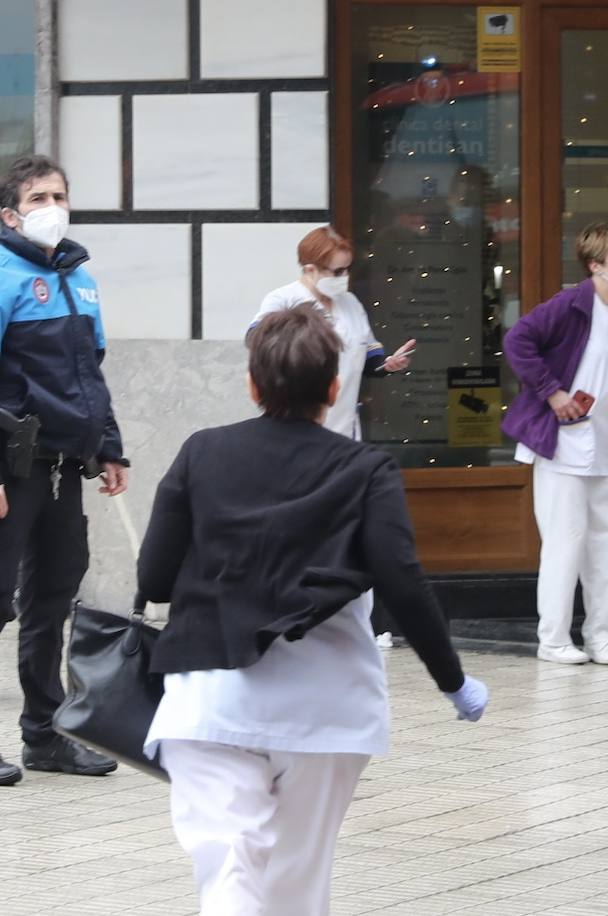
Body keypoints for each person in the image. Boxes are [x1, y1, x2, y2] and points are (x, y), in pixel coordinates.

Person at [139, 308, 488, 915]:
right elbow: (403, 582)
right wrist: (453, 683)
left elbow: (154, 580)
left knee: (229, 870)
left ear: (253, 384)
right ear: (333, 389)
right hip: (324, 708)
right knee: (296, 885)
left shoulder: (202, 452)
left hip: (210, 698)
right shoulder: (366, 469)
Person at [0, 155, 129, 784]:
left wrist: (108, 445)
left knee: (51, 599)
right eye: (38, 197)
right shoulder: (2, 274)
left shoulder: (79, 276)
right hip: (10, 466)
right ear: (10, 214)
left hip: (61, 466)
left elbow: (89, 375)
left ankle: (45, 736)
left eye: (59, 195)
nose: (52, 206)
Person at [502, 223, 608, 666]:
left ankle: (601, 637)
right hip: (562, 446)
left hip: (603, 445)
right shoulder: (568, 305)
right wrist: (553, 392)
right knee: (565, 541)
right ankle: (553, 638)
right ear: (595, 265)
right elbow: (518, 341)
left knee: (605, 543)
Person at [251, 226, 416, 441]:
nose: (345, 277)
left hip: (344, 427)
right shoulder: (283, 300)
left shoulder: (350, 303)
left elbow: (368, 354)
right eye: (337, 272)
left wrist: (388, 363)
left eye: (348, 269)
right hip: (295, 431)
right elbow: (257, 339)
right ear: (310, 269)